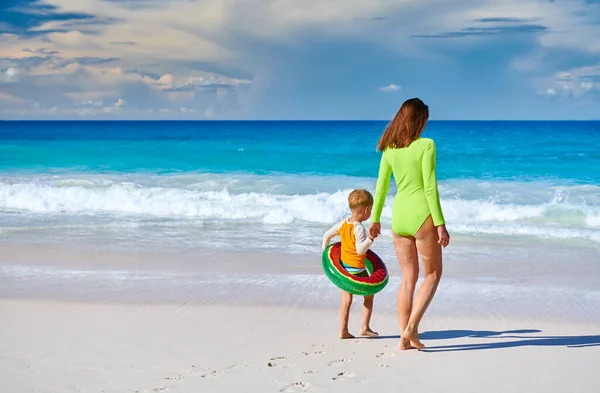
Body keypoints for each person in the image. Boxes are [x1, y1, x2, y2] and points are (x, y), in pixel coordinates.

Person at [368, 98, 450, 350]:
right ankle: (411, 328)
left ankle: (405, 339)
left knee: (408, 278)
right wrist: (440, 223)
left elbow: (381, 188)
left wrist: (375, 219)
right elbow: (429, 186)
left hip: (399, 217)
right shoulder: (427, 145)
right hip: (422, 216)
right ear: (420, 120)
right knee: (433, 274)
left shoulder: (389, 149)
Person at [322, 189, 380, 339]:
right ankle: (365, 328)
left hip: (344, 269)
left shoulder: (342, 224)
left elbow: (327, 235)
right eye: (371, 210)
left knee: (346, 300)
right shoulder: (359, 228)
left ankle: (343, 331)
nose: (370, 213)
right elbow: (360, 251)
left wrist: (325, 252)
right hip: (358, 270)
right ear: (366, 210)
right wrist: (371, 239)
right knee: (369, 296)